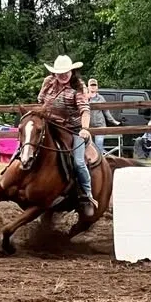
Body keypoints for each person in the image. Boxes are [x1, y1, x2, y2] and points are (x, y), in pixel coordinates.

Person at [37, 54, 98, 216]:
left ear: (72, 71)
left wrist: (85, 128)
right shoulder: (48, 83)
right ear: (54, 73)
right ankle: (9, 172)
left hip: (74, 129)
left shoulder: (78, 88)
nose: (63, 75)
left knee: (78, 161)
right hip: (51, 124)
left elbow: (85, 110)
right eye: (59, 72)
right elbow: (41, 100)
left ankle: (86, 195)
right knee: (30, 141)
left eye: (66, 72)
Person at [86, 78, 120, 153]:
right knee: (89, 146)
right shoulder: (85, 98)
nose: (93, 87)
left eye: (94, 85)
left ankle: (100, 162)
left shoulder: (101, 98)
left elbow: (106, 112)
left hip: (100, 125)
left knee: (99, 145)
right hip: (88, 127)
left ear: (97, 87)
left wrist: (114, 121)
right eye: (91, 85)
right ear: (88, 86)